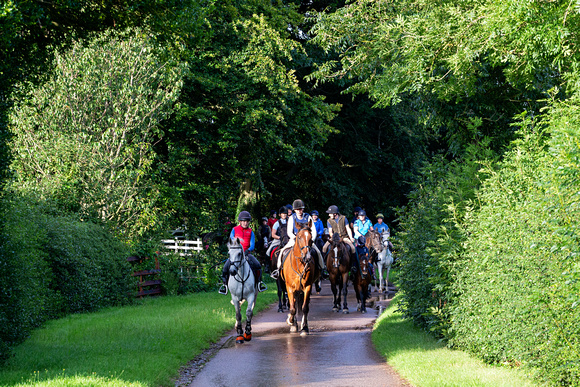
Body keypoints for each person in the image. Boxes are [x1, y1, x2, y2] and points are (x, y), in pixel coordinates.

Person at [272, 199, 325, 278]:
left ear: (303, 209)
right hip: (295, 240)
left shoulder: (308, 217)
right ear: (295, 210)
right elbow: (289, 232)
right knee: (282, 251)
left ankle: (322, 269)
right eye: (297, 209)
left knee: (318, 252)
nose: (299, 211)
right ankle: (278, 270)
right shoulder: (291, 218)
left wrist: (311, 240)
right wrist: (296, 238)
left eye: (301, 209)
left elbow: (313, 231)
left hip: (307, 241)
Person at [219, 211, 267, 295]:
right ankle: (225, 286)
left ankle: (259, 283)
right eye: (244, 221)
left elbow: (252, 245)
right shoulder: (234, 230)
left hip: (246, 254)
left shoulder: (250, 232)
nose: (245, 223)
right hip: (235, 255)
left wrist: (247, 251)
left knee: (257, 265)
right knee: (225, 267)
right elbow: (231, 242)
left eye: (247, 221)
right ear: (240, 221)